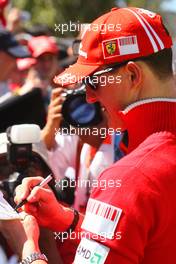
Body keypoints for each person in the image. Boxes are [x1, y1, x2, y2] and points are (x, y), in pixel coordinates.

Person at [3, 6, 176, 264]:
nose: (89, 97)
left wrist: (27, 247)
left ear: (132, 75)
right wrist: (68, 220)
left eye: (93, 82)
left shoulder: (131, 178)